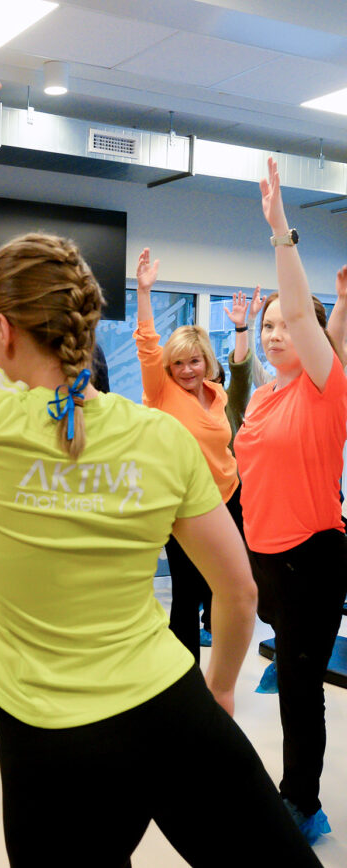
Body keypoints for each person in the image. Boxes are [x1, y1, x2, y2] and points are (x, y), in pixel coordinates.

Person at [0, 21, 320, 866]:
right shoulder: (160, 437)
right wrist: (223, 684)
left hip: (48, 742)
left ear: (3, 333)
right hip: (167, 709)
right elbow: (236, 597)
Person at [234, 157, 347, 844]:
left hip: (313, 555)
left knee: (301, 693)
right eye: (267, 325)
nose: (277, 332)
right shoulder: (268, 395)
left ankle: (301, 801)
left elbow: (307, 314)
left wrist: (281, 232)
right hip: (265, 556)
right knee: (288, 669)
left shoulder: (324, 388)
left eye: (286, 325)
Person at [134, 258, 250, 663]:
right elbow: (148, 346)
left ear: (206, 362)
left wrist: (241, 329)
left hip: (228, 498)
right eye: (178, 362)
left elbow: (242, 376)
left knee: (225, 587)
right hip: (183, 506)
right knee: (186, 592)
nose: (186, 370)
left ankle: (219, 666)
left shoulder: (217, 394)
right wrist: (145, 293)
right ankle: (185, 678)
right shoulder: (162, 392)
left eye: (194, 361)